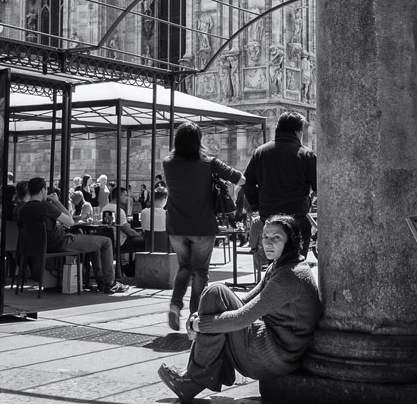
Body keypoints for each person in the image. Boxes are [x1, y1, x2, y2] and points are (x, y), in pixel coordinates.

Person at [158, 214, 322, 402]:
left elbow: (242, 317)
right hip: (273, 350)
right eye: (265, 236)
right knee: (216, 293)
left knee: (216, 293)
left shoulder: (290, 277)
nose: (268, 243)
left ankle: (194, 379)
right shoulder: (280, 265)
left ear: (290, 241)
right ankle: (196, 376)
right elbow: (244, 301)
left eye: (276, 237)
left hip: (275, 357)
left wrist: (199, 325)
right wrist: (197, 316)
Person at [162, 121, 242, 332]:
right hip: (202, 226)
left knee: (184, 267)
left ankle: (175, 305)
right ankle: (194, 317)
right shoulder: (209, 163)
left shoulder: (167, 163)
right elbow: (240, 179)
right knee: (200, 272)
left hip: (176, 226)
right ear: (198, 141)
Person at [17, 177, 129, 295]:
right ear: (42, 190)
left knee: (95, 245)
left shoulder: (22, 209)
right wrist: (57, 202)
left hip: (37, 247)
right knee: (106, 242)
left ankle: (102, 282)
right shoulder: (45, 206)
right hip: (61, 243)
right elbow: (70, 222)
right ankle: (110, 283)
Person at [243, 111, 317, 256]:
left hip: (270, 217)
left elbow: (247, 181)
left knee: (275, 261)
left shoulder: (260, 152)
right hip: (296, 217)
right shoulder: (306, 154)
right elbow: (319, 186)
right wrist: (310, 199)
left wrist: (256, 204)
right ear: (297, 131)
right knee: (297, 261)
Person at [100, 186, 144, 272]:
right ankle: (132, 269)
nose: (127, 198)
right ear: (119, 196)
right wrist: (140, 234)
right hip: (120, 243)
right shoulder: (118, 211)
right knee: (147, 242)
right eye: (125, 195)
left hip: (111, 241)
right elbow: (129, 232)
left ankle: (129, 267)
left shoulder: (105, 208)